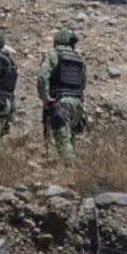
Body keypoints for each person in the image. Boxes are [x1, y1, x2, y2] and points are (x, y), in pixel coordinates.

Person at [36, 27, 87, 164]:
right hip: (77, 103)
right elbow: (83, 83)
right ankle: (70, 165)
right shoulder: (79, 58)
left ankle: (70, 169)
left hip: (60, 101)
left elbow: (42, 77)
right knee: (70, 137)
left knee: (62, 138)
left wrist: (45, 97)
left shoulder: (53, 55)